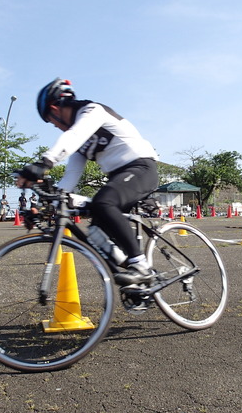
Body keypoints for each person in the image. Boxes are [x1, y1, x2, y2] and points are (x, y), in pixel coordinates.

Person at [16, 78, 159, 286]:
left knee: (103, 202)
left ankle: (141, 267)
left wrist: (44, 163)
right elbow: (69, 179)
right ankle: (133, 275)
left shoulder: (92, 111)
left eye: (50, 120)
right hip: (119, 179)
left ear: (55, 108)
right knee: (95, 228)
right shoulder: (81, 143)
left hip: (141, 168)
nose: (54, 126)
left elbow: (73, 136)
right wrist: (44, 206)